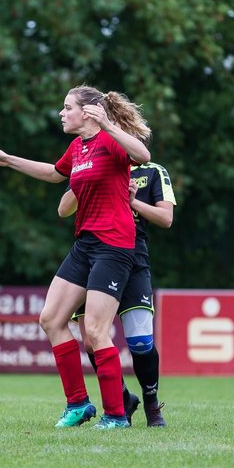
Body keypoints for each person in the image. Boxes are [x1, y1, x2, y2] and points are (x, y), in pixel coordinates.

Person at [0, 85, 151, 429]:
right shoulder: (77, 147)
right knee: (51, 319)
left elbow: (143, 155)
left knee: (96, 330)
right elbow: (52, 174)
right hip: (85, 244)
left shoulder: (111, 140)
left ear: (88, 112)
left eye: (67, 107)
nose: (61, 112)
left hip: (114, 245)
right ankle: (78, 404)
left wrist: (108, 124)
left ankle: (116, 415)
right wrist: (8, 159)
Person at [60, 157, 175, 427]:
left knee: (140, 342)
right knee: (91, 341)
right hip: (94, 254)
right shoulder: (91, 160)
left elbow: (166, 218)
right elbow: (64, 207)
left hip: (132, 258)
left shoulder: (153, 171)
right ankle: (122, 399)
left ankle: (151, 403)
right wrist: (82, 178)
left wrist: (132, 201)